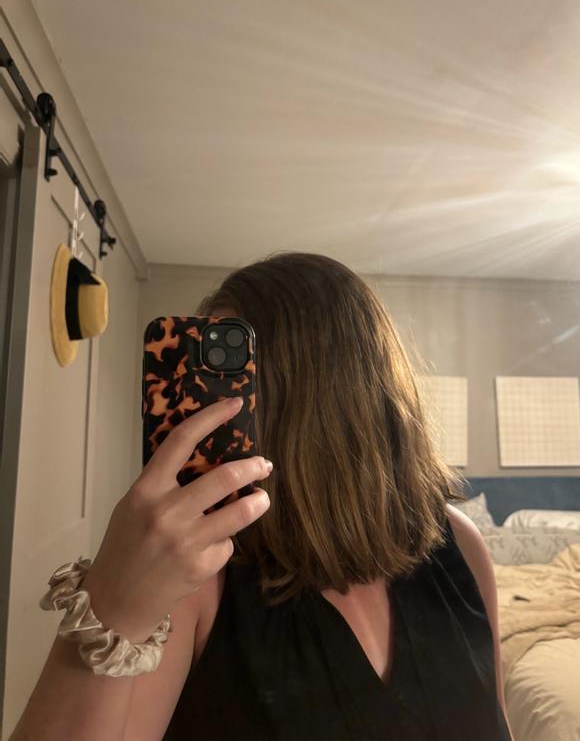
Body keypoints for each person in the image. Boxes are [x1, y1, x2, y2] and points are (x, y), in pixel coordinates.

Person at [11, 252, 513, 741]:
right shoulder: (196, 579)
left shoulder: (460, 545)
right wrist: (114, 604)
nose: (212, 410)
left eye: (240, 384)